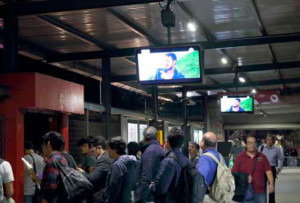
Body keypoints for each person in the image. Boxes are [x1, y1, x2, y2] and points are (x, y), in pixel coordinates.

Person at [150, 128, 189, 203]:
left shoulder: (168, 161)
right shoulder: (186, 160)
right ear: (182, 144)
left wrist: (152, 187)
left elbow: (160, 188)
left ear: (167, 142)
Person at [232, 136, 274, 203]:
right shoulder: (239, 158)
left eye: (254, 142)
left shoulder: (262, 157)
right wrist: (245, 177)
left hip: (261, 193)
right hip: (246, 192)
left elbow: (268, 171)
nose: (252, 145)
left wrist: (271, 184)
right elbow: (234, 174)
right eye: (250, 143)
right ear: (246, 144)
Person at [77, 136, 112, 203]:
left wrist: (82, 172)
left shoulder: (103, 159)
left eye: (93, 150)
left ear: (99, 148)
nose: (92, 152)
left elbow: (92, 178)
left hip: (100, 194)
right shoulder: (105, 157)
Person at [136, 127, 165, 203]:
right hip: (157, 193)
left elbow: (146, 177)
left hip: (149, 196)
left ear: (145, 138)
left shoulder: (149, 151)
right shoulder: (160, 149)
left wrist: (140, 199)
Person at [104, 137, 137, 203]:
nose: (107, 151)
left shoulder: (117, 165)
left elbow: (114, 187)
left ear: (115, 149)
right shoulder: (130, 162)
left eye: (109, 148)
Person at [197, 132, 226, 203]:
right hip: (220, 195)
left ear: (202, 143)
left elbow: (200, 180)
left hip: (208, 197)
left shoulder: (204, 158)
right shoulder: (220, 156)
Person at [40, 131, 68, 203]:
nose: (42, 148)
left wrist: (44, 200)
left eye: (43, 145)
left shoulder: (52, 161)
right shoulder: (62, 158)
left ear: (48, 144)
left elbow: (51, 185)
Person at [258, 135, 283, 203]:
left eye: (270, 139)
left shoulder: (276, 149)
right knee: (262, 187)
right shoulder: (261, 148)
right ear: (266, 140)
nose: (269, 141)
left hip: (271, 168)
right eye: (267, 139)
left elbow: (280, 158)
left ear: (273, 140)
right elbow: (257, 158)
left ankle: (271, 201)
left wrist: (279, 168)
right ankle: (263, 201)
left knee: (271, 187)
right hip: (262, 169)